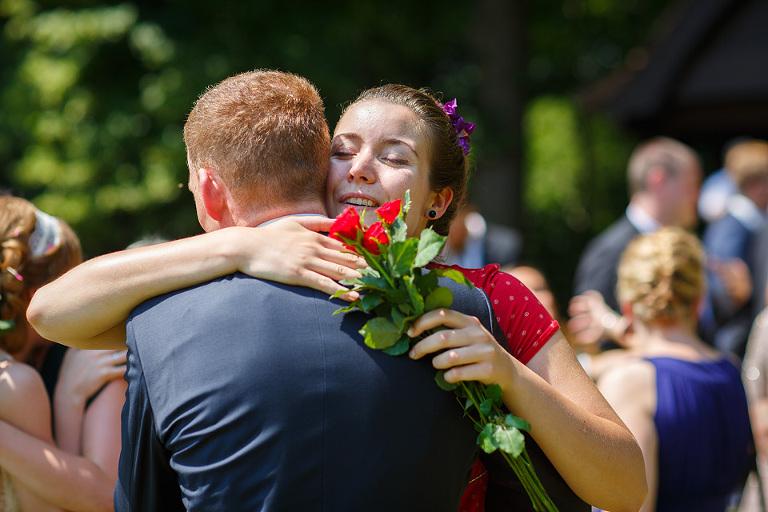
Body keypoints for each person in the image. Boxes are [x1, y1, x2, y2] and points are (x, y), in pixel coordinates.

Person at [29, 74, 646, 511]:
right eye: (343, 150)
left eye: (394, 157)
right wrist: (237, 247)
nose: (359, 169)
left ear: (438, 200)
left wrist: (508, 374)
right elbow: (54, 311)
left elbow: (624, 485)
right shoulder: (253, 273)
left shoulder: (487, 299)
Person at [594, 227, 753, 511]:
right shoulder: (731, 370)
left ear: (628, 307)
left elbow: (630, 505)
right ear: (699, 302)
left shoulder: (631, 382)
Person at [0, 196, 123, 512]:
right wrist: (68, 402)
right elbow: (106, 498)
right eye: (70, 284)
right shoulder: (17, 384)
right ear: (35, 296)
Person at [568, 136, 702, 351]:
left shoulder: (684, 246)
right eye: (692, 185)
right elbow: (590, 335)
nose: (697, 196)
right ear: (658, 180)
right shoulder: (610, 251)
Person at [701, 139, 768, 360]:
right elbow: (721, 292)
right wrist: (740, 293)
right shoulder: (733, 227)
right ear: (755, 185)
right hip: (735, 346)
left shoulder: (751, 222)